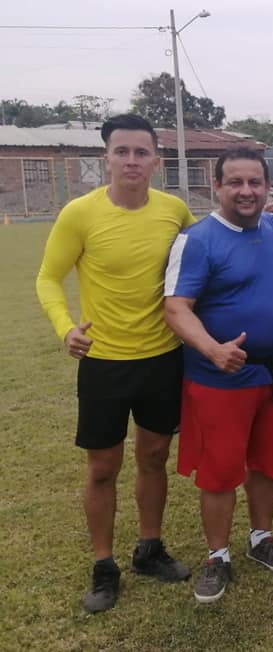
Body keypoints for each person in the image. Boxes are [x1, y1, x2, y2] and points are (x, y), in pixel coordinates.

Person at [36, 114, 192, 613]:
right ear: (105, 158)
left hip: (162, 359)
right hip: (104, 362)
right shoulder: (79, 214)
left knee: (154, 458)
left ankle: (149, 548)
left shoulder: (174, 211)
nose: (131, 161)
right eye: (121, 151)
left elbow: (212, 251)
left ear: (156, 161)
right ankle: (104, 566)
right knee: (103, 467)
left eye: (141, 152)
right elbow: (48, 277)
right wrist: (66, 328)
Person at [164, 148, 273, 604]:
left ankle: (262, 537)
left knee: (269, 462)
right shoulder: (197, 239)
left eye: (255, 183)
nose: (246, 191)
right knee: (220, 470)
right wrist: (213, 349)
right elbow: (176, 308)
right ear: (217, 186)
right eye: (235, 182)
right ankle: (217, 555)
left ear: (267, 187)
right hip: (219, 379)